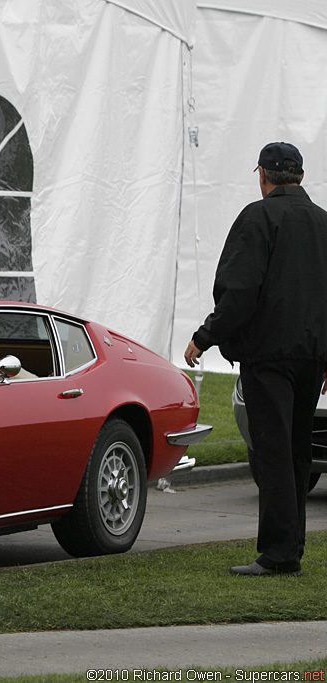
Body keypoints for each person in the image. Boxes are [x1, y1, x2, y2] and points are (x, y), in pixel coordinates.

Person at [184, 141, 327, 577]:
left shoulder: (257, 217)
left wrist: (205, 337)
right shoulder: (323, 223)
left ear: (263, 176)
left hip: (269, 356)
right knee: (298, 449)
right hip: (312, 356)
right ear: (299, 176)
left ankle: (278, 554)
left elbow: (240, 291)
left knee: (273, 452)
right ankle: (293, 548)